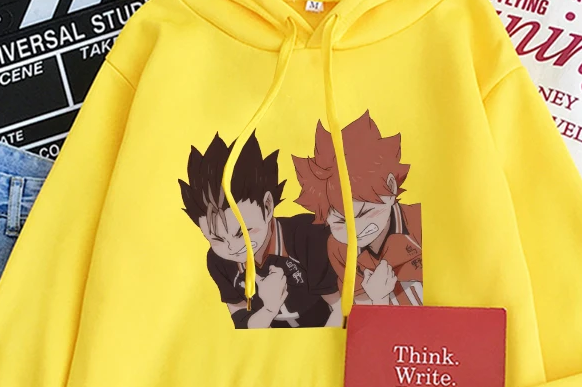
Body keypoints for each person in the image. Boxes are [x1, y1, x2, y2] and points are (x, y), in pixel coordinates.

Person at [179, 130, 342, 328]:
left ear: (267, 206)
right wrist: (269, 309)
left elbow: (340, 309)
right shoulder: (218, 261)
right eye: (217, 239)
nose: (232, 247)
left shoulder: (309, 236)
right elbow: (242, 324)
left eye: (243, 233)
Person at [292, 110, 423, 306]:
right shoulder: (338, 247)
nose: (355, 229)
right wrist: (378, 298)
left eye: (364, 213)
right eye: (340, 220)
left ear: (391, 187)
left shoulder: (418, 223)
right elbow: (359, 305)